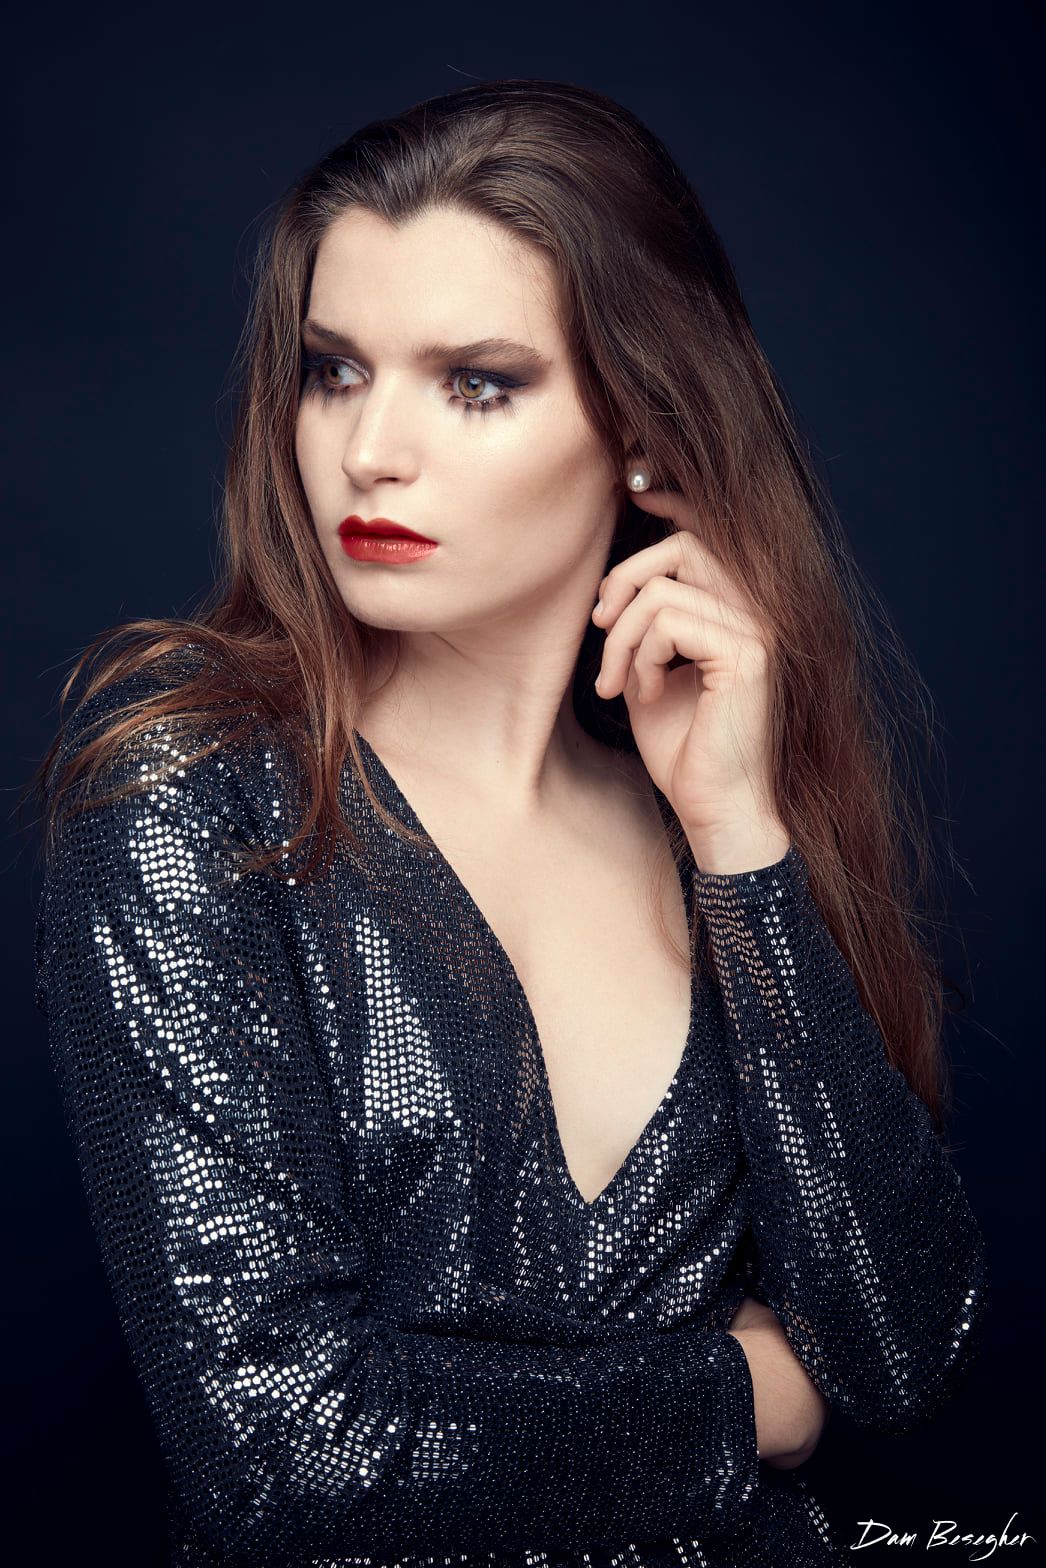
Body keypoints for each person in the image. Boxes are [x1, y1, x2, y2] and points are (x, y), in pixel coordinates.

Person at [31, 79, 987, 1566]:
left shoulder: (706, 823)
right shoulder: (192, 792)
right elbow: (281, 1448)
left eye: (476, 383)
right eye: (333, 371)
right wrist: (749, 1398)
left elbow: (901, 1348)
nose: (369, 450)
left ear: (641, 427)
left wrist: (742, 840)